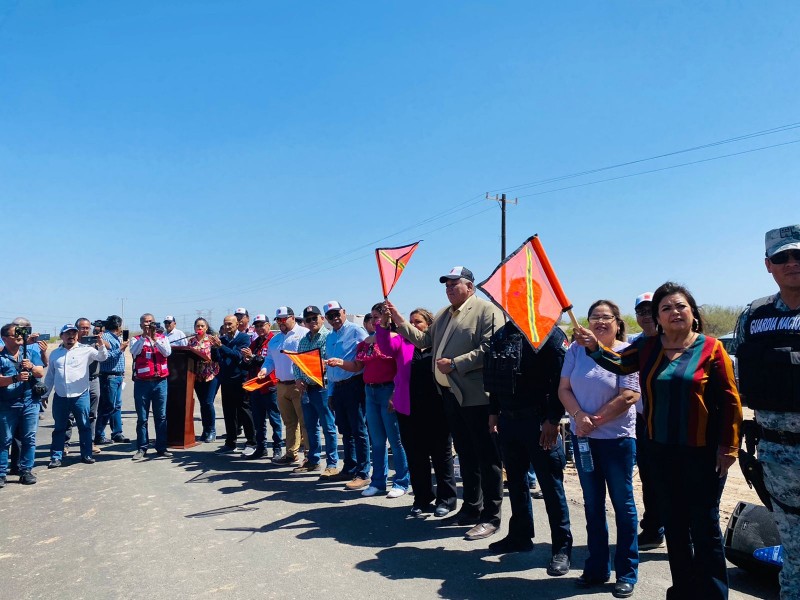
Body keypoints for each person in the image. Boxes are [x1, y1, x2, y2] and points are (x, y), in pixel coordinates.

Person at [575, 284, 742, 600]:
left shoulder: (711, 349)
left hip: (702, 452)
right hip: (659, 451)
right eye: (666, 308)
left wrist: (729, 447)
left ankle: (713, 593)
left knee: (704, 527)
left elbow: (731, 401)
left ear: (693, 313)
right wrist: (594, 347)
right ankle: (682, 590)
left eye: (680, 306)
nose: (674, 312)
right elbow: (619, 363)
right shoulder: (648, 347)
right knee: (676, 525)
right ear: (658, 319)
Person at [388, 266, 505, 541]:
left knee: (487, 458)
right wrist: (398, 320)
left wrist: (456, 363)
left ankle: (491, 516)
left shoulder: (487, 311)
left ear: (470, 287)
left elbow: (491, 348)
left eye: (455, 284)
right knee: (465, 455)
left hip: (476, 397)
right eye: (447, 285)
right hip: (450, 395)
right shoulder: (443, 314)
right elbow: (422, 339)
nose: (450, 289)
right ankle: (472, 507)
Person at [734, 224, 800, 600]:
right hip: (777, 461)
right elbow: (740, 384)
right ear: (768, 265)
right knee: (794, 555)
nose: (791, 263)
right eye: (782, 257)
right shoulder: (753, 317)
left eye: (798, 255)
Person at [559, 300, 640, 598]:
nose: (600, 322)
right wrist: (580, 418)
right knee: (593, 505)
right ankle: (596, 568)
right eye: (595, 317)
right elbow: (563, 388)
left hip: (617, 439)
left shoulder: (626, 352)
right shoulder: (575, 350)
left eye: (607, 317)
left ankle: (627, 572)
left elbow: (629, 395)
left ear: (618, 322)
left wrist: (597, 420)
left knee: (623, 505)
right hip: (583, 439)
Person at [485, 320, 573, 576]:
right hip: (508, 420)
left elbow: (561, 377)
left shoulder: (549, 332)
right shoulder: (503, 333)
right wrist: (493, 413)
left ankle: (562, 547)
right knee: (516, 482)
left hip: (540, 422)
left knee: (550, 485)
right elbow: (495, 375)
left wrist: (554, 419)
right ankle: (520, 536)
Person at [330, 302, 409, 498]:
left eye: (378, 317)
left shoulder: (397, 339)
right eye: (372, 317)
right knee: (377, 440)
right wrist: (341, 363)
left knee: (395, 440)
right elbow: (357, 366)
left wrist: (395, 393)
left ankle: (401, 481)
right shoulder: (365, 342)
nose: (374, 320)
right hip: (370, 392)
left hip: (388, 390)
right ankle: (378, 482)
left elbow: (402, 368)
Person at [388, 308, 457, 517]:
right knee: (416, 457)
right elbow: (385, 345)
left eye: (418, 322)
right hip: (409, 410)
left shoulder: (439, 345)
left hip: (437, 409)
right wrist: (384, 323)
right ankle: (422, 498)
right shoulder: (404, 344)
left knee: (441, 456)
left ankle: (446, 500)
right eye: (411, 322)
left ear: (429, 325)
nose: (413, 325)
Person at [627, 292, 665, 551]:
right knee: (650, 479)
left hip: (675, 423)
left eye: (652, 310)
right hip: (643, 422)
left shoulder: (675, 341)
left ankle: (688, 534)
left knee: (678, 481)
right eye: (641, 311)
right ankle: (653, 529)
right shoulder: (635, 345)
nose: (646, 316)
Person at [44, 323, 109, 468]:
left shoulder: (86, 350)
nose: (71, 336)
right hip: (61, 397)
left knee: (84, 426)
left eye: (73, 333)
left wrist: (100, 344)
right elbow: (50, 376)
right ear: (62, 336)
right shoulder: (55, 354)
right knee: (60, 428)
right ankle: (56, 457)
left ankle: (86, 454)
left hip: (80, 396)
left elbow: (102, 357)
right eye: (67, 334)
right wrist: (45, 394)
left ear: (77, 335)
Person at [323, 300, 371, 490]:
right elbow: (331, 369)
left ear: (344, 312)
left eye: (337, 314)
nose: (335, 318)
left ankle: (363, 472)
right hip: (338, 387)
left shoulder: (356, 331)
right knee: (345, 430)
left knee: (359, 430)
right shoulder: (330, 336)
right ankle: (349, 467)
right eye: (330, 316)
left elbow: (365, 356)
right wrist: (330, 393)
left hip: (354, 384)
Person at [294, 306, 339, 477]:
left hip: (322, 387)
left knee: (328, 427)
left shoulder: (328, 337)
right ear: (304, 322)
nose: (312, 322)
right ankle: (313, 460)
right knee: (310, 426)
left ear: (321, 318)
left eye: (315, 318)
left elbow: (326, 362)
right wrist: (298, 378)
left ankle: (332, 463)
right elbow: (297, 362)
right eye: (308, 319)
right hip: (306, 388)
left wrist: (314, 368)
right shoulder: (304, 340)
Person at [0, 323, 46, 486]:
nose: (20, 337)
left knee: (29, 438)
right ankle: (1, 473)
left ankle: (25, 470)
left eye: (21, 334)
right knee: (4, 439)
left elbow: (40, 372)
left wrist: (31, 366)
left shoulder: (30, 352)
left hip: (29, 402)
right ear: (4, 338)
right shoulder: (1, 357)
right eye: (15, 334)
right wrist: (15, 378)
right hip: (7, 404)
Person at [129, 313, 173, 461]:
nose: (148, 324)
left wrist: (154, 338)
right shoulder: (135, 340)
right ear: (141, 325)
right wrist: (145, 338)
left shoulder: (162, 338)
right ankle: (142, 448)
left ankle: (161, 447)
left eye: (151, 322)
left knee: (161, 416)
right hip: (142, 383)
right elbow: (134, 352)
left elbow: (167, 352)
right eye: (145, 322)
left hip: (160, 382)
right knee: (142, 418)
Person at [211, 315, 255, 454]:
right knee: (228, 412)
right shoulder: (222, 339)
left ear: (237, 324)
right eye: (225, 324)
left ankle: (251, 442)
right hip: (226, 379)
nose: (227, 327)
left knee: (244, 411)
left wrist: (221, 346)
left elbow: (238, 356)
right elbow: (216, 358)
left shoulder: (243, 338)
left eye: (230, 324)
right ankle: (230, 442)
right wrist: (214, 347)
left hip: (240, 379)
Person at [241, 314, 282, 460]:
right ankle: (261, 447)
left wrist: (252, 357)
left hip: (270, 384)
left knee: (274, 418)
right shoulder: (255, 342)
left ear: (269, 325)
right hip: (256, 385)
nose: (259, 328)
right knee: (258, 419)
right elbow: (249, 363)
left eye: (262, 325)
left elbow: (269, 361)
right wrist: (246, 358)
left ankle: (277, 448)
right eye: (257, 326)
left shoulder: (274, 340)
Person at [95, 315, 130, 445]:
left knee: (116, 406)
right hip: (109, 376)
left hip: (118, 376)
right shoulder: (105, 338)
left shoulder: (117, 338)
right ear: (118, 326)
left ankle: (117, 433)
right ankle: (99, 434)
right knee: (107, 406)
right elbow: (105, 357)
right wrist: (120, 349)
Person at [188, 317, 220, 443]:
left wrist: (216, 348)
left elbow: (217, 357)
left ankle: (212, 430)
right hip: (197, 376)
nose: (200, 328)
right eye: (197, 326)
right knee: (203, 404)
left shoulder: (212, 340)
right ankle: (205, 430)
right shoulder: (191, 342)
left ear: (206, 328)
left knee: (208, 402)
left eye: (202, 326)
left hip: (211, 375)